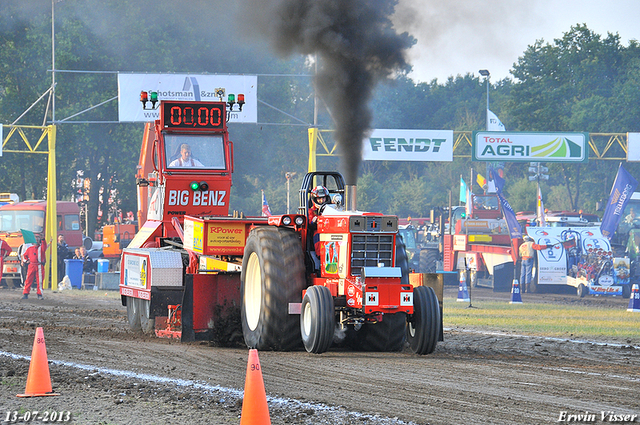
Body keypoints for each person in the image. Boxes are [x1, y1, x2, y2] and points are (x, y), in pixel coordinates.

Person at [22, 234, 48, 300]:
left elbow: (44, 246)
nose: (36, 239)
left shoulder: (41, 248)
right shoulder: (30, 249)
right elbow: (24, 256)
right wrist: (26, 260)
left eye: (38, 238)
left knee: (40, 281)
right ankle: (25, 293)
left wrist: (43, 240)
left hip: (39, 266)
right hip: (31, 265)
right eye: (35, 238)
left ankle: (39, 294)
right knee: (28, 280)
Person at [309, 186, 330, 254]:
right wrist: (313, 221)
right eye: (319, 198)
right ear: (315, 199)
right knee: (318, 235)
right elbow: (310, 223)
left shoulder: (331, 208)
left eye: (323, 198)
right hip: (318, 230)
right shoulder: (311, 211)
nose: (321, 200)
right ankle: (320, 255)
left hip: (331, 230)